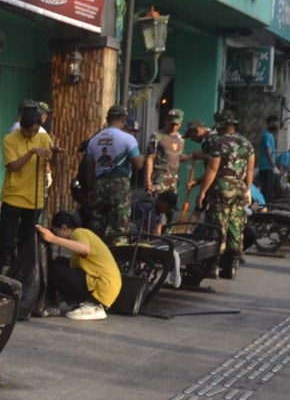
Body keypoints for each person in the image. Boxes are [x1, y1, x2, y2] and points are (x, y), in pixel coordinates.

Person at [0, 107, 53, 281]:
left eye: (35, 130)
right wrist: (32, 152)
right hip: (14, 196)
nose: (33, 134)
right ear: (21, 127)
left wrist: (53, 153)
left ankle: (19, 277)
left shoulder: (43, 137)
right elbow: (14, 166)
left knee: (27, 242)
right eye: (29, 131)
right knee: (5, 239)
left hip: (35, 198)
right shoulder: (10, 139)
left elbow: (48, 156)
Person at [195, 109, 255, 280]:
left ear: (222, 125)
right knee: (236, 226)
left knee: (217, 226)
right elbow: (250, 169)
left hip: (221, 189)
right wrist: (248, 189)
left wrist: (203, 191)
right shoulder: (247, 143)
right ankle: (231, 266)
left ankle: (213, 266)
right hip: (240, 189)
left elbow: (213, 168)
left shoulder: (219, 142)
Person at [35, 210, 122, 320]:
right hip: (102, 283)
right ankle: (78, 303)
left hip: (103, 286)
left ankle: (92, 306)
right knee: (59, 262)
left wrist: (53, 239)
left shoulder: (79, 233)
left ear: (64, 228)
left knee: (53, 271)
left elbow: (85, 249)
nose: (54, 234)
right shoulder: (82, 234)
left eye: (55, 232)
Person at [83, 105, 144, 239]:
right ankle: (116, 256)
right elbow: (138, 165)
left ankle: (98, 255)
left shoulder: (94, 140)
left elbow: (89, 168)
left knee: (98, 225)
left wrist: (91, 190)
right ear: (123, 119)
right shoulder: (128, 138)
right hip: (119, 185)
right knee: (119, 226)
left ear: (107, 119)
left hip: (99, 185)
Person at [147, 108, 185, 198]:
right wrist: (148, 181)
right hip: (160, 177)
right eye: (171, 124)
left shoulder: (181, 138)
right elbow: (150, 158)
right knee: (157, 205)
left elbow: (178, 156)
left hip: (174, 178)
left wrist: (192, 156)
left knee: (171, 207)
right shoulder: (157, 136)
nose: (174, 127)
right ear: (166, 121)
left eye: (176, 124)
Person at [255, 115, 281, 199]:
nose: (277, 126)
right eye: (275, 124)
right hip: (267, 167)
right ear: (270, 124)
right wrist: (273, 166)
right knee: (266, 191)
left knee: (268, 191)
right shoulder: (267, 135)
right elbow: (268, 152)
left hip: (267, 167)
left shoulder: (269, 135)